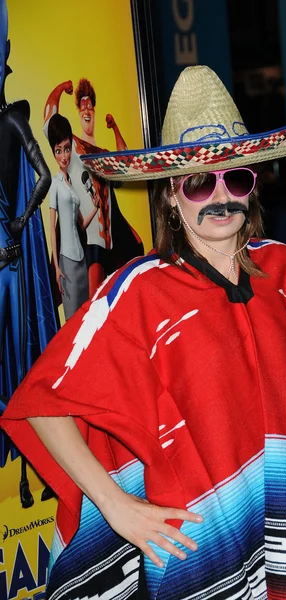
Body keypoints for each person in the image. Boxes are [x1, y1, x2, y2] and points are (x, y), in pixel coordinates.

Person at [1, 66, 286, 600]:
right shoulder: (138, 291)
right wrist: (117, 506)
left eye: (236, 178)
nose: (219, 197)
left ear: (252, 187)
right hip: (199, 557)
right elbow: (41, 404)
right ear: (170, 197)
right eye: (199, 182)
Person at [0, 0, 58, 507]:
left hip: (14, 267)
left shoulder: (13, 118)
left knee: (22, 367)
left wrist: (20, 220)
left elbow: (44, 174)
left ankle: (29, 475)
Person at [43, 78, 144, 296]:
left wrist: (116, 128)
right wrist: (60, 88)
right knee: (90, 309)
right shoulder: (73, 147)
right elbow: (49, 122)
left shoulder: (103, 154)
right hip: (88, 243)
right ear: (78, 111)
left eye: (90, 106)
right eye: (83, 106)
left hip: (111, 244)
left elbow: (124, 167)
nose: (87, 109)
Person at [48, 113, 99, 320]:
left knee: (83, 318)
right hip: (66, 261)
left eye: (67, 149)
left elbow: (81, 225)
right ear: (53, 152)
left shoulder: (71, 185)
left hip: (81, 260)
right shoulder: (55, 184)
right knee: (71, 321)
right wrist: (57, 268)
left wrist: (95, 209)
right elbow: (52, 227)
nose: (64, 156)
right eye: (59, 151)